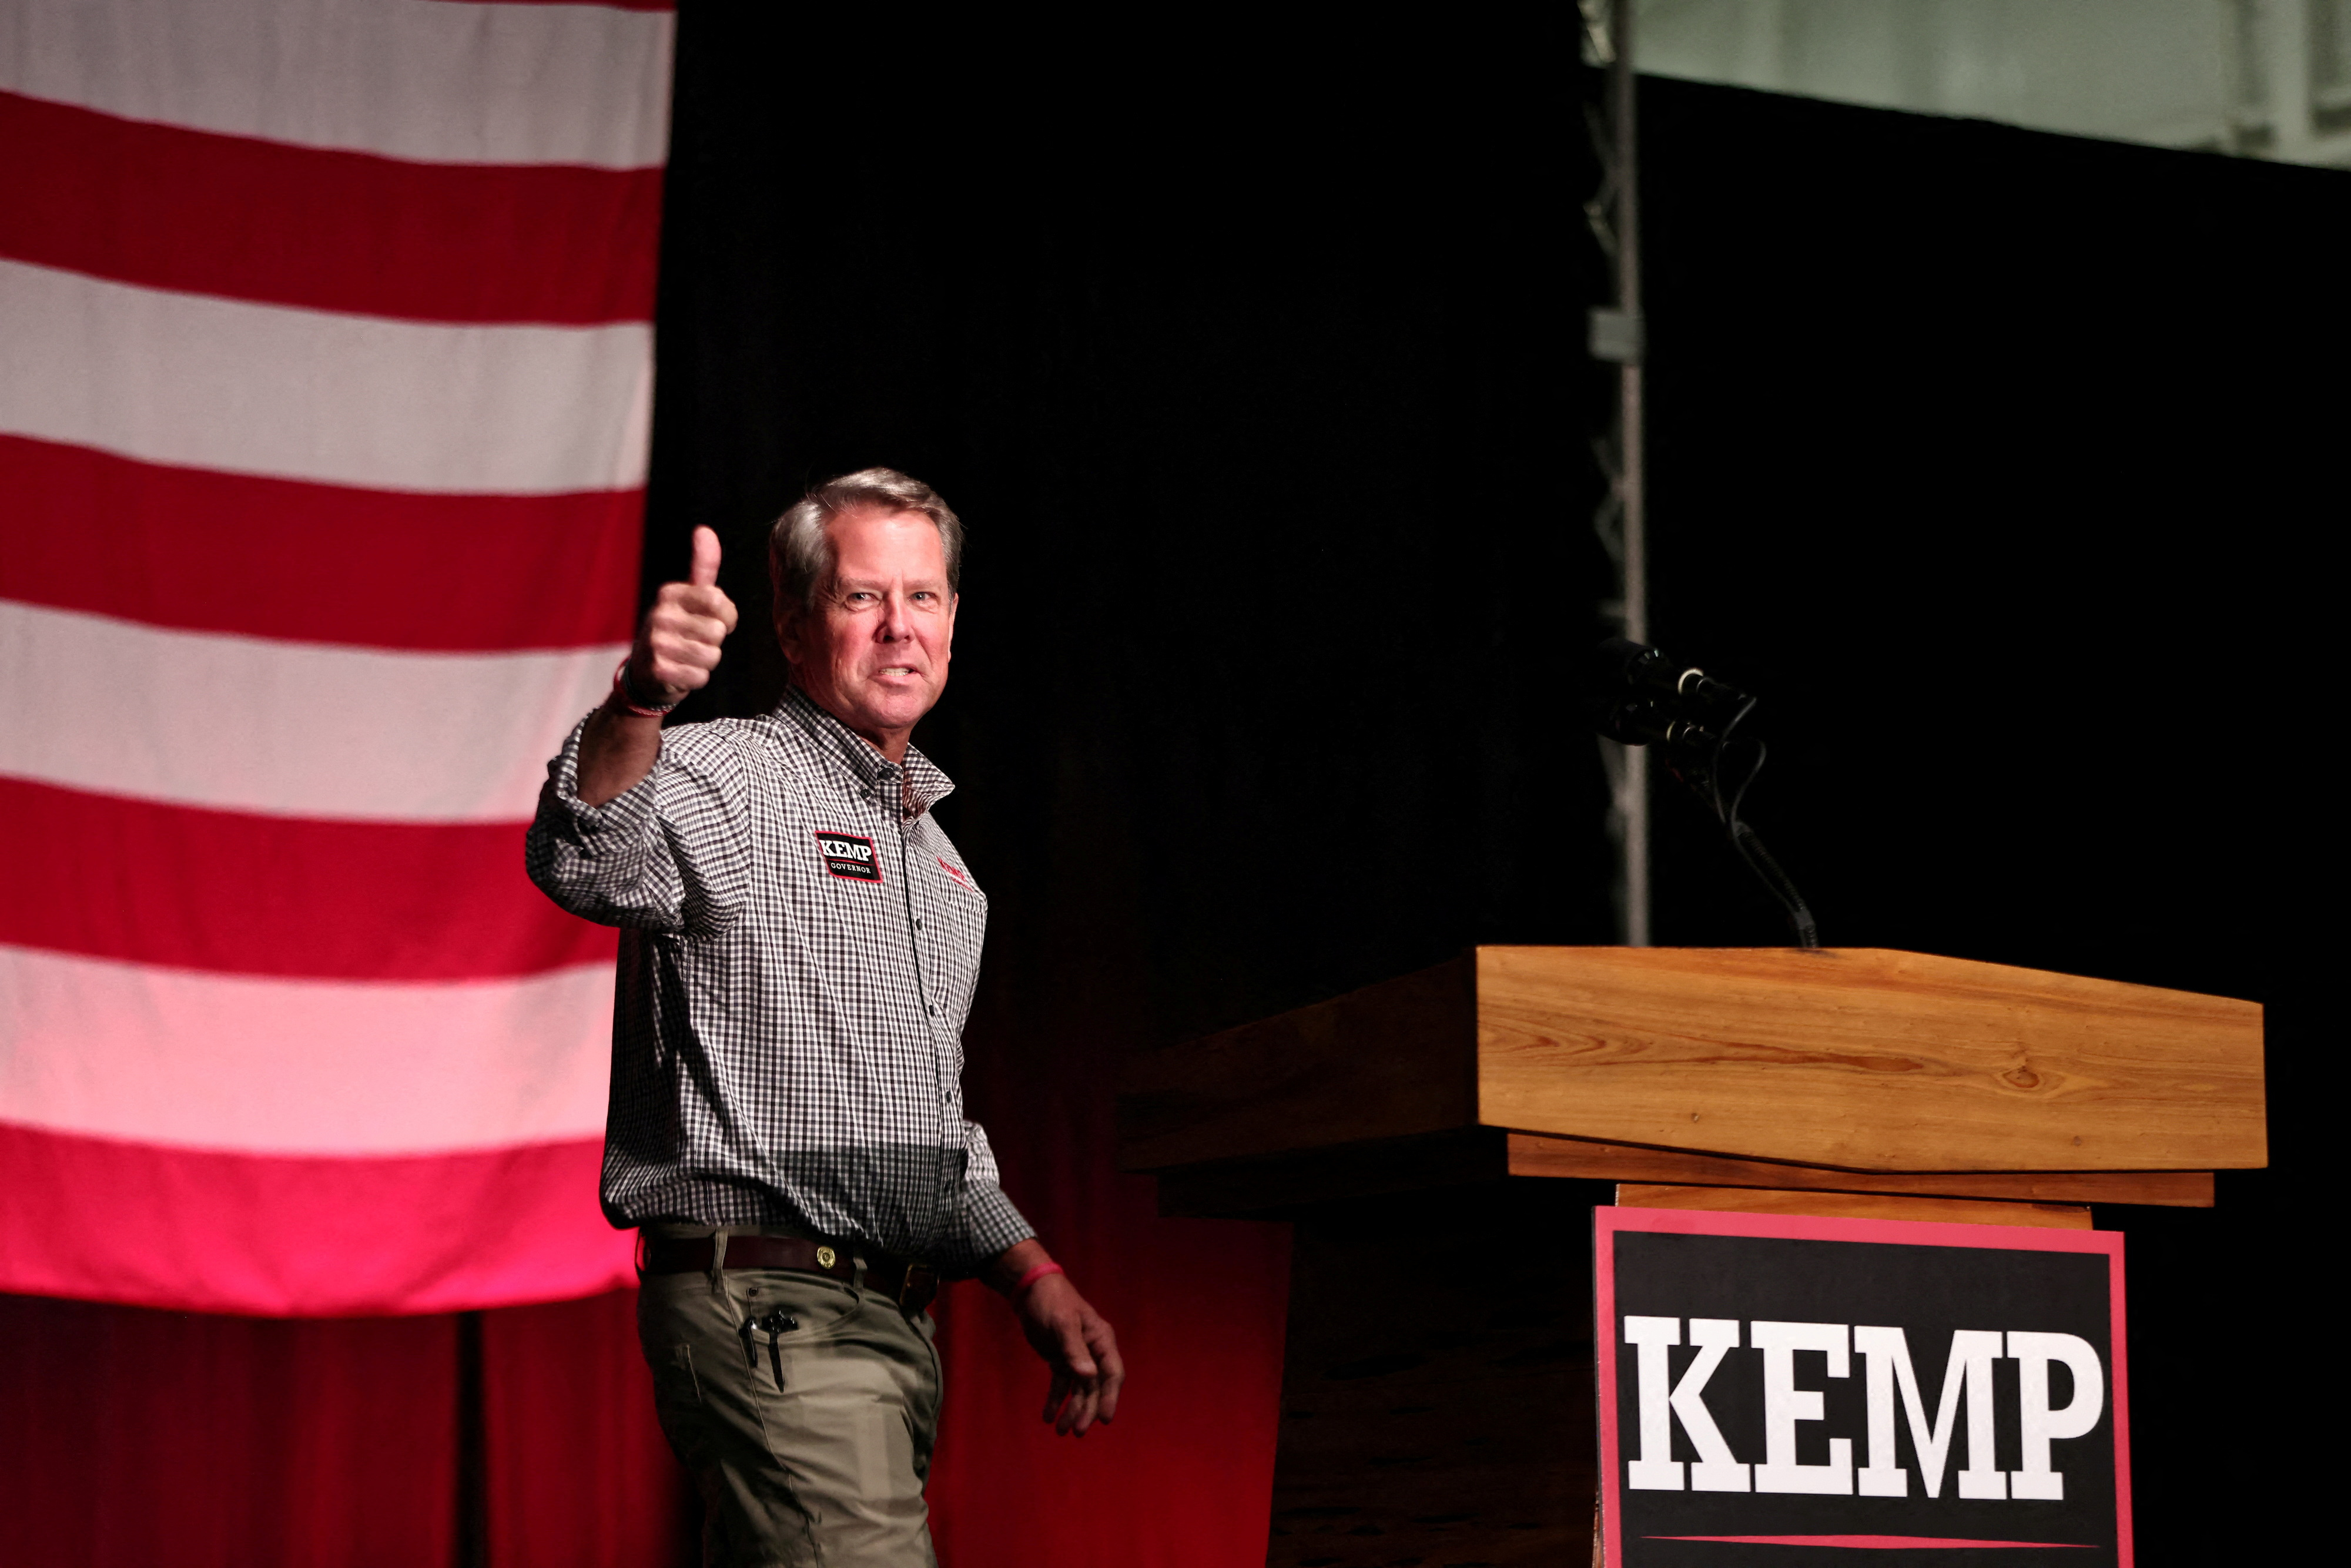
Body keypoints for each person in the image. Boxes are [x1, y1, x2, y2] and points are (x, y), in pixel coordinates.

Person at [526, 467, 1123, 1567]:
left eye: (926, 598)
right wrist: (643, 700)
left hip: (896, 1332)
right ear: (796, 632)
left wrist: (1032, 1275)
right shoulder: (727, 778)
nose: (901, 627)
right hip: (772, 1310)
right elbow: (582, 853)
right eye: (861, 598)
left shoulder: (947, 877)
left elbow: (933, 1132)